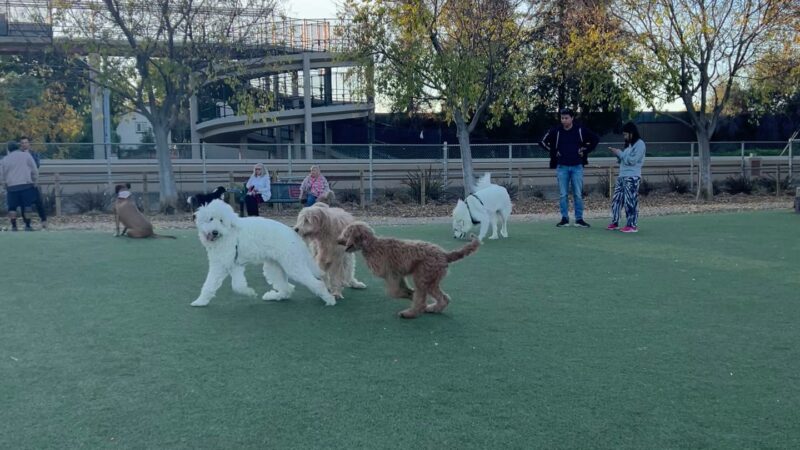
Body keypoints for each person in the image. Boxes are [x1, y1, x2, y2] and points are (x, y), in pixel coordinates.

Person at [539, 107, 599, 227]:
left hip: (577, 167)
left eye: (566, 118)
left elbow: (595, 139)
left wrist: (585, 150)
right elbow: (542, 142)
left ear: (572, 118)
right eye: (562, 118)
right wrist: (554, 151)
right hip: (562, 167)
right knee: (563, 194)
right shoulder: (556, 131)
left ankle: (579, 219)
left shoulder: (580, 130)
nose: (564, 120)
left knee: (578, 194)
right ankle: (564, 219)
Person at [607, 122, 647, 233]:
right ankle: (615, 222)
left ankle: (632, 225)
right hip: (622, 176)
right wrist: (618, 155)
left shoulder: (640, 144)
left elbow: (632, 160)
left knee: (630, 201)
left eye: (625, 134)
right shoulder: (629, 145)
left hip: (632, 177)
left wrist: (620, 153)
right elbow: (625, 159)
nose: (624, 137)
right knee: (616, 200)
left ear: (631, 133)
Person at [0, 140, 40, 231]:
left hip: (11, 187)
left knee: (12, 207)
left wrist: (4, 185)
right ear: (18, 147)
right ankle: (28, 225)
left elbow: (1, 175)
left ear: (8, 149)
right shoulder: (26, 156)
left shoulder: (4, 160)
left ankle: (14, 226)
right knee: (27, 206)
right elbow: (34, 170)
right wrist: (35, 182)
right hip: (26, 185)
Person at [19, 136, 47, 229]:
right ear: (20, 145)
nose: (24, 144)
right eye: (22, 143)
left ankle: (44, 220)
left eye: (26, 142)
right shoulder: (18, 155)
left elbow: (37, 165)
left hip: (32, 182)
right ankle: (27, 224)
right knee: (24, 205)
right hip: (22, 183)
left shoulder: (34, 154)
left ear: (29, 144)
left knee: (39, 202)